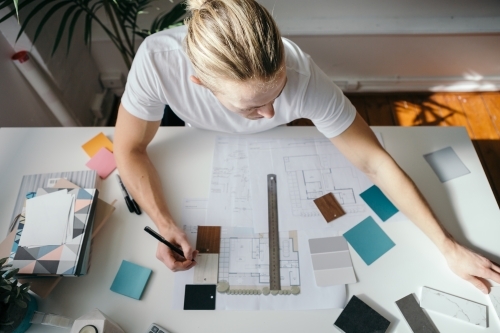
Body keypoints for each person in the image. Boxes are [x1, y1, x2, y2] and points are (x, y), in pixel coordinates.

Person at [114, 0, 500, 293]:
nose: (269, 114)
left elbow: (374, 162)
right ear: (199, 82)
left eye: (276, 94)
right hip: (201, 152)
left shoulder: (300, 72)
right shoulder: (157, 59)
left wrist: (447, 246)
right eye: (251, 105)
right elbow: (128, 149)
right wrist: (164, 225)